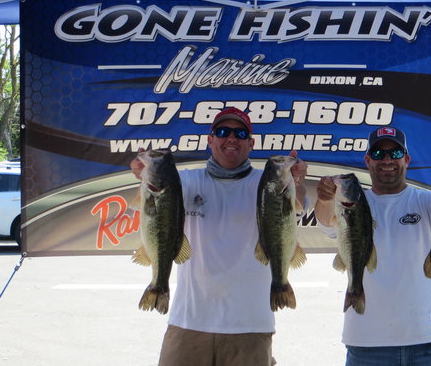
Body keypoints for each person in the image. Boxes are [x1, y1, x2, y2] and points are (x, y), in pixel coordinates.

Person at [131, 107, 308, 366]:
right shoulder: (185, 181)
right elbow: (158, 198)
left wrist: (298, 183)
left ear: (251, 143)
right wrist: (142, 171)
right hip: (188, 323)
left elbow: (297, 205)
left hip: (250, 326)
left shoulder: (267, 183)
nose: (231, 138)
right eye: (223, 132)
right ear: (210, 140)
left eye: (240, 133)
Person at [313, 126, 431, 366]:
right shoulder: (355, 203)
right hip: (366, 345)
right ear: (368, 160)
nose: (387, 160)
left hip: (427, 343)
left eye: (395, 153)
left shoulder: (428, 201)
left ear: (407, 159)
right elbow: (326, 225)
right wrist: (324, 199)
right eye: (379, 154)